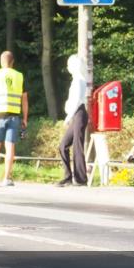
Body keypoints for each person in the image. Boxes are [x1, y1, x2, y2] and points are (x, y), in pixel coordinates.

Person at [0, 51, 28, 187]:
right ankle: (7, 179)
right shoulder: (19, 76)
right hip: (14, 117)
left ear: (1, 61)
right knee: (10, 148)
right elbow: (24, 100)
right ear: (12, 62)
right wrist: (25, 118)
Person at [58, 53, 89, 186]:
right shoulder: (79, 80)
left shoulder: (79, 80)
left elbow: (76, 100)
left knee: (77, 145)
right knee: (63, 145)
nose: (68, 67)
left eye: (69, 65)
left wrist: (68, 116)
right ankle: (69, 177)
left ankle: (80, 178)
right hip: (77, 113)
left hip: (78, 113)